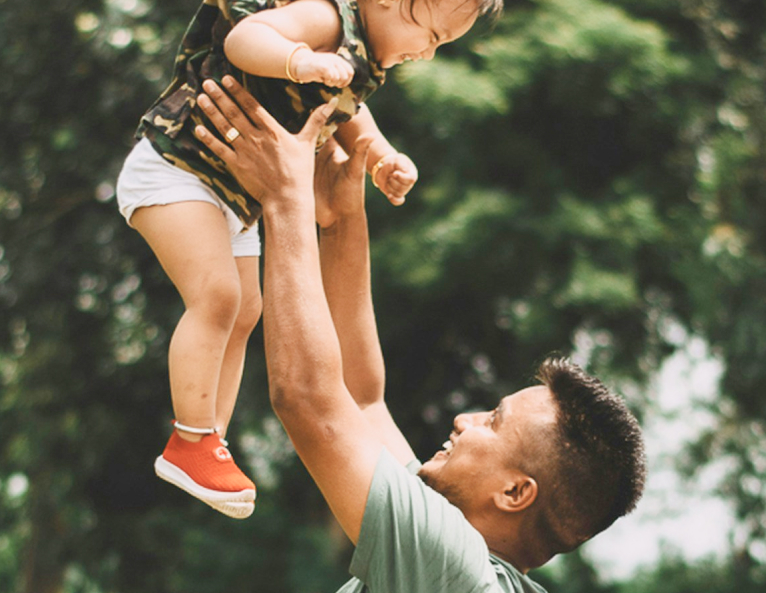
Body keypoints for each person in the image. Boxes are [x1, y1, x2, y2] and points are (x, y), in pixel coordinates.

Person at [115, 0, 503, 518]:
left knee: (246, 309)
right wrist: (301, 62)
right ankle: (189, 438)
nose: (427, 55)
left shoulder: (364, 59)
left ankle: (209, 438)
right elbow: (245, 39)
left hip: (231, 194)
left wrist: (380, 158)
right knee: (216, 297)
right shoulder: (326, 15)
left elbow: (351, 116)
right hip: (177, 168)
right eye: (431, 37)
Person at [193, 76, 648, 592]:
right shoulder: (464, 566)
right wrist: (342, 217)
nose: (463, 420)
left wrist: (284, 196)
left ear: (515, 492)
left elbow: (308, 400)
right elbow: (361, 400)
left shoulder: (453, 568)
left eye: (493, 422)